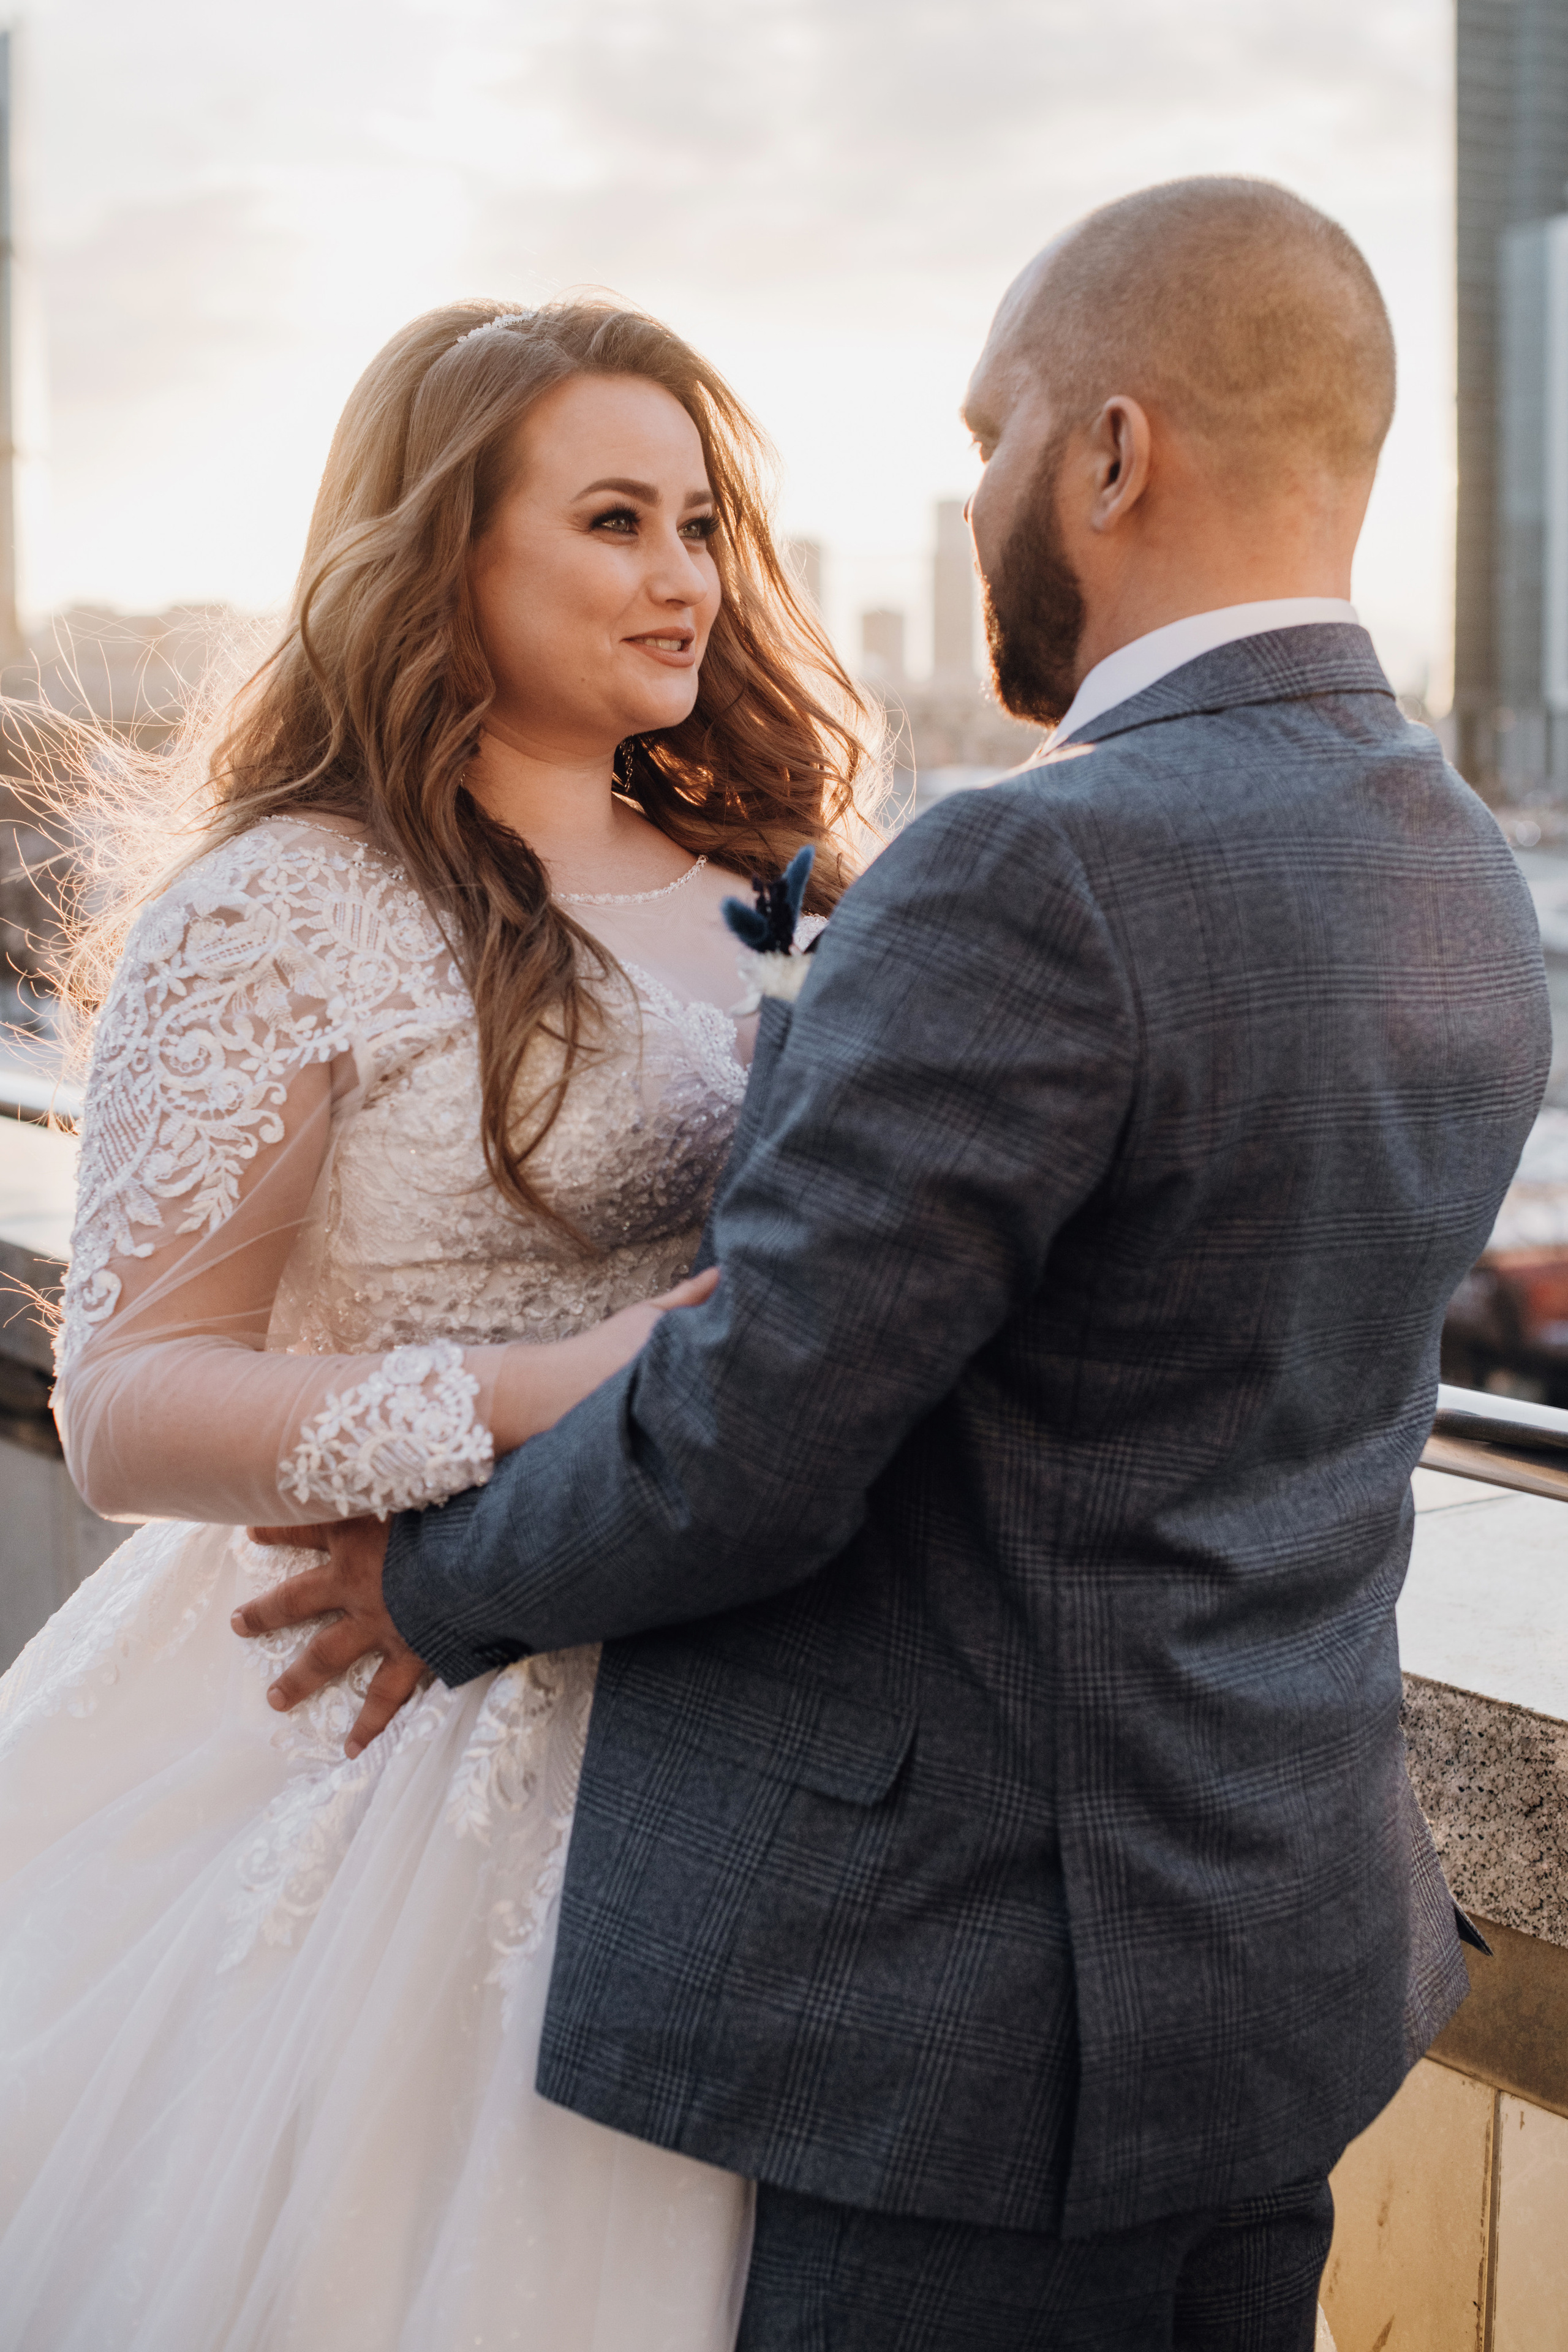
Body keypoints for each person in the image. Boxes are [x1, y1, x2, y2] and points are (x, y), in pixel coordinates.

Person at [239, 179, 1552, 2350]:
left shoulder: (1040, 865)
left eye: (987, 438)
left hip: (979, 2030)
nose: (977, 501)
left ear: (1112, 453)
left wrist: (435, 1579)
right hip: (1282, 1966)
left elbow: (758, 1430)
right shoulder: (1457, 867)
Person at [0, 298, 873, 2347]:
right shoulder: (282, 903)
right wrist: (568, 1387)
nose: (686, 576)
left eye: (703, 522)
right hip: (365, 1709)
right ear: (442, 555)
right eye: (613, 519)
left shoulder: (780, 886)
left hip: (727, 1698)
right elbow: (124, 1406)